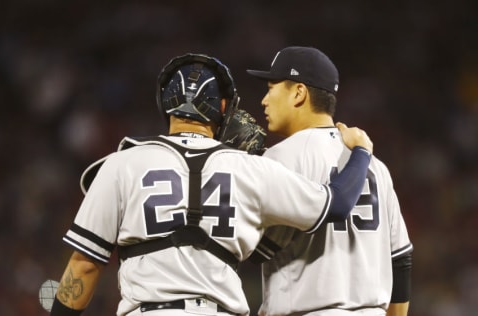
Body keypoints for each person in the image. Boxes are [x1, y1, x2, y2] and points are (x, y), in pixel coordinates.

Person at [49, 53, 373, 316]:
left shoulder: (122, 163)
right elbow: (337, 204)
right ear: (222, 108)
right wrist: (360, 152)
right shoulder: (252, 168)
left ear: (166, 104)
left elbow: (85, 267)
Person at [246, 46, 413, 316]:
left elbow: (256, 251)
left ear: (299, 93)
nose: (264, 100)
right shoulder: (375, 165)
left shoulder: (279, 158)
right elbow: (401, 261)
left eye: (271, 88)